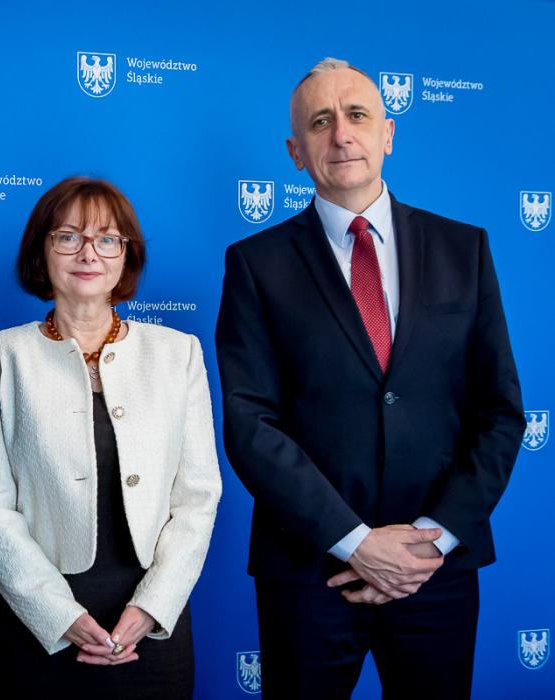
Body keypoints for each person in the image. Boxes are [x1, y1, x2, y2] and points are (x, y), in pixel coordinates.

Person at [215, 58, 524, 699]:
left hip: (435, 571)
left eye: (357, 115)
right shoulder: (254, 264)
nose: (341, 135)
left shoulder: (463, 249)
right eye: (320, 122)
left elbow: (500, 411)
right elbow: (250, 424)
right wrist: (354, 543)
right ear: (295, 152)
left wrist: (431, 541)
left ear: (388, 133)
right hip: (309, 573)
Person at [0, 177, 222, 699]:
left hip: (151, 622)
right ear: (41, 251)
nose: (89, 253)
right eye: (68, 237)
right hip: (34, 625)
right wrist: (57, 614)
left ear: (126, 256)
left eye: (107, 239)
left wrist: (152, 607)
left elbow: (198, 496)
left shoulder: (178, 354)